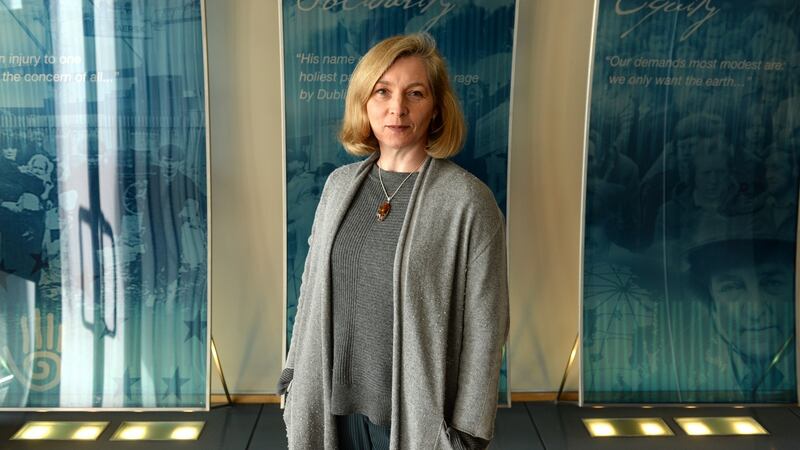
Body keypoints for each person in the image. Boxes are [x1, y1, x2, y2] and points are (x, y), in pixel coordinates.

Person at [278, 33, 509, 450]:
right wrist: (293, 376)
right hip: (329, 411)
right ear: (364, 102)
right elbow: (311, 289)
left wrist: (470, 432)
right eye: (382, 91)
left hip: (416, 422)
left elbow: (486, 327)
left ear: (436, 107)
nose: (397, 107)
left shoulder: (468, 202)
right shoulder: (338, 185)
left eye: (414, 93)